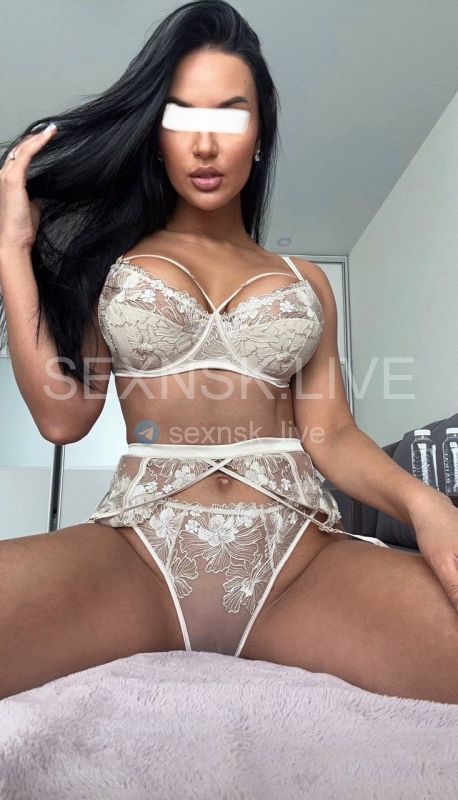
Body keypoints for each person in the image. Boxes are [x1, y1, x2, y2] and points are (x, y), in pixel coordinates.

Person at [1, 0, 457, 704]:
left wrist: (428, 507)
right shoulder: (111, 265)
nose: (206, 144)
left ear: (260, 135)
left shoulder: (306, 282)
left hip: (297, 564)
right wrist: (14, 247)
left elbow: (332, 436)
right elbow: (64, 418)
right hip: (140, 555)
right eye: (183, 117)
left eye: (230, 116)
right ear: (157, 136)